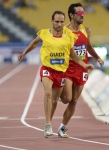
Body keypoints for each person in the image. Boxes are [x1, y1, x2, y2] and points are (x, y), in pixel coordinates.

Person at [18, 10, 94, 138]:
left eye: (62, 22)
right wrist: (24, 53)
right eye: (57, 21)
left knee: (65, 99)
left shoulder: (69, 35)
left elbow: (73, 55)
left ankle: (56, 101)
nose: (59, 24)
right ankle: (48, 125)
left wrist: (84, 64)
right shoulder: (44, 33)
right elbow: (34, 43)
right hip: (47, 69)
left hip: (61, 72)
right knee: (48, 93)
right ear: (52, 21)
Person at [56, 3, 104, 138]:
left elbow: (88, 47)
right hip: (68, 68)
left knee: (74, 101)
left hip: (82, 69)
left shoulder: (86, 30)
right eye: (79, 13)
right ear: (71, 15)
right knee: (66, 98)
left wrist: (98, 57)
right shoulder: (64, 31)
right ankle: (59, 92)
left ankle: (62, 127)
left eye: (83, 13)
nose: (82, 15)